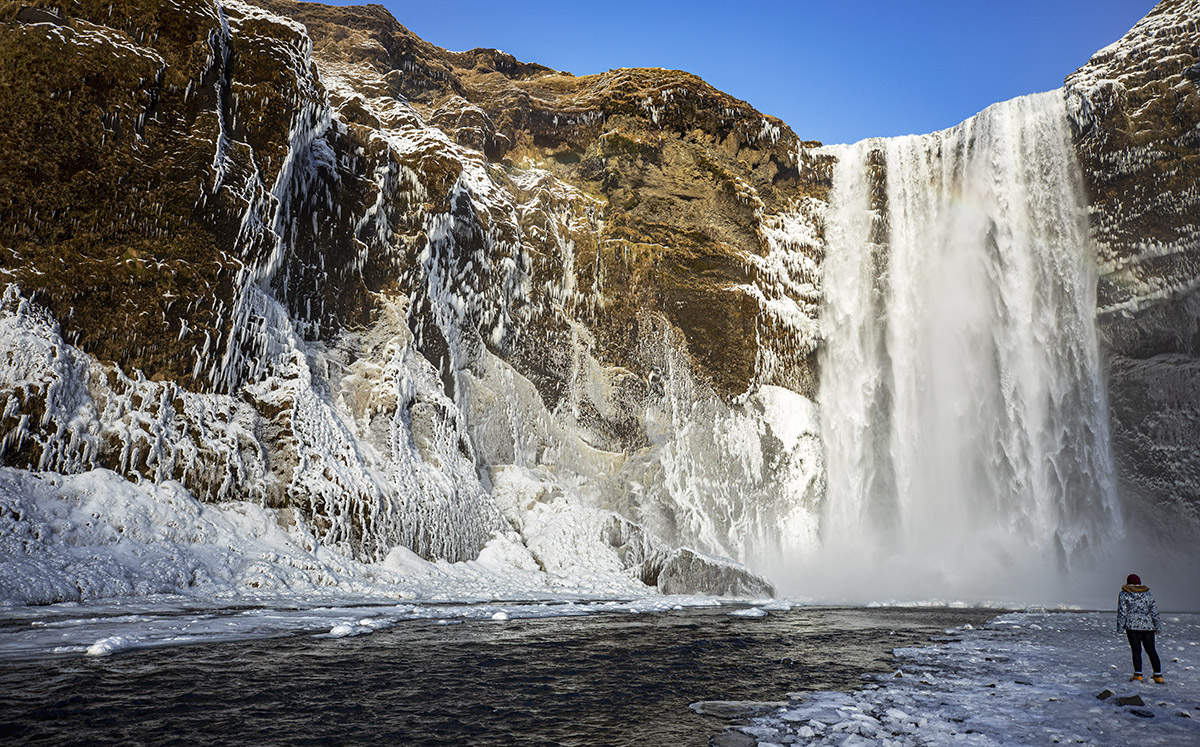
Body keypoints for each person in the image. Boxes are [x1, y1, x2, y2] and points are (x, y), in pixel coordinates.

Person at [1116, 573, 1163, 683]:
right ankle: (1158, 675)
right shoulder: (1148, 594)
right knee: (1151, 650)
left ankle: (1138, 675)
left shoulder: (1124, 594)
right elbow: (1154, 611)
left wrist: (1120, 627)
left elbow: (1122, 611)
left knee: (1136, 650)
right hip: (1148, 626)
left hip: (1132, 626)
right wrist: (1157, 626)